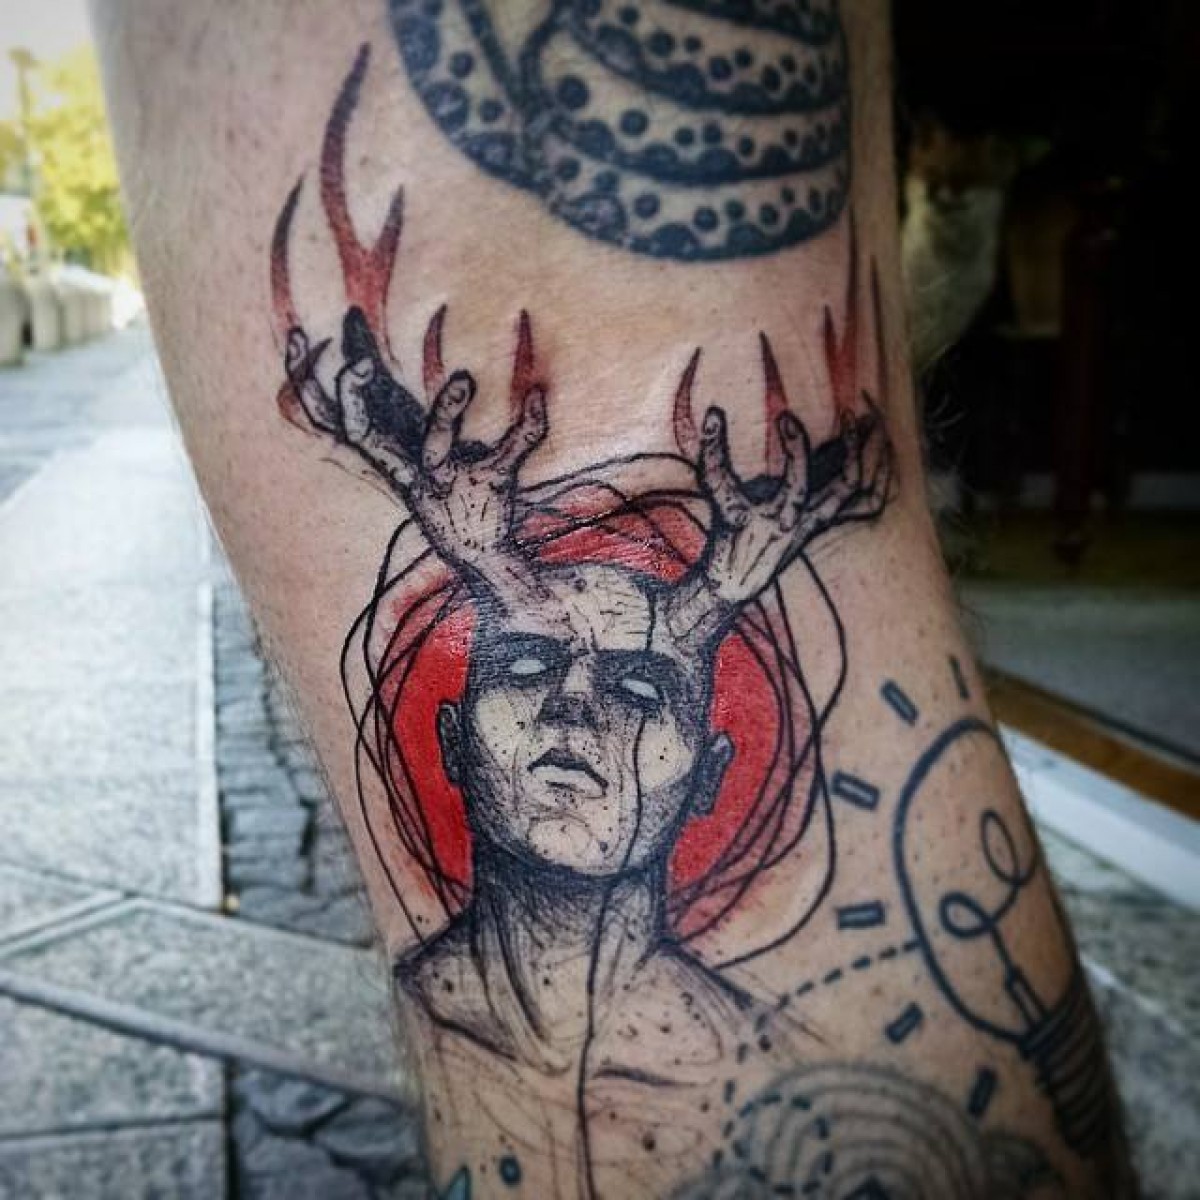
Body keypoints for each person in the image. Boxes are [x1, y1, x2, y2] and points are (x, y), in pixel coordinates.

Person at [91, 2, 1133, 1196]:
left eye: (641, 689)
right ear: (447, 736)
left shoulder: (781, 1066)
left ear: (711, 767)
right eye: (527, 667)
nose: (576, 712)